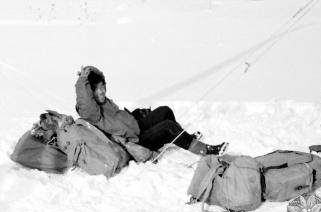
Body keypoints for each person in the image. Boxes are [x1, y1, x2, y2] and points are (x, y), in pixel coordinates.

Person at [75, 66, 227, 156]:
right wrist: (83, 79)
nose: (102, 91)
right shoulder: (91, 112)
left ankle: (184, 137)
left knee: (164, 111)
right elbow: (85, 100)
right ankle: (206, 150)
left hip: (137, 127)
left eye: (103, 86)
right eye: (98, 89)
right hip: (137, 142)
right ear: (90, 92)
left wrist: (93, 73)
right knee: (168, 127)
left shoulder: (103, 102)